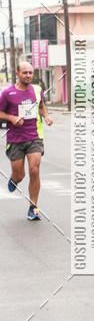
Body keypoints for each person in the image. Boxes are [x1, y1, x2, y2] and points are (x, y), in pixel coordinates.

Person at [0, 61, 53, 221]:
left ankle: (33, 207)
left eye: (30, 72)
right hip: (15, 139)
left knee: (34, 170)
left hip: (34, 136)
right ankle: (14, 179)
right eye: (25, 73)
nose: (28, 75)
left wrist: (47, 116)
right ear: (17, 74)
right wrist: (12, 118)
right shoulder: (7, 93)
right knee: (20, 174)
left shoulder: (37, 90)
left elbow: (41, 106)